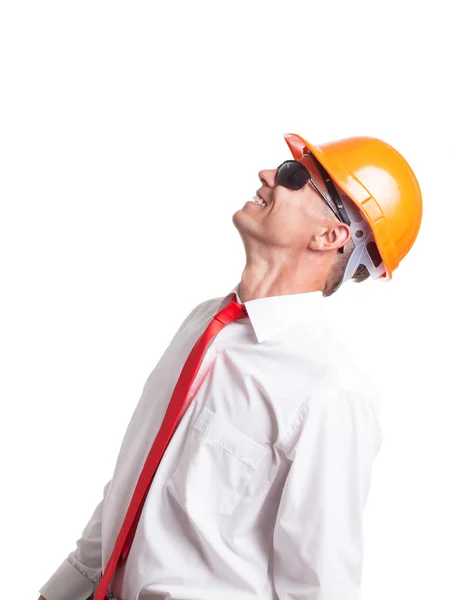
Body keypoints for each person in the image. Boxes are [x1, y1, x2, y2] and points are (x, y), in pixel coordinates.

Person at [38, 132, 422, 600]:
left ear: (331, 235)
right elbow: (135, 481)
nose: (267, 176)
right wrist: (64, 588)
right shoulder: (205, 322)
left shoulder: (332, 394)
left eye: (293, 176)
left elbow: (321, 589)